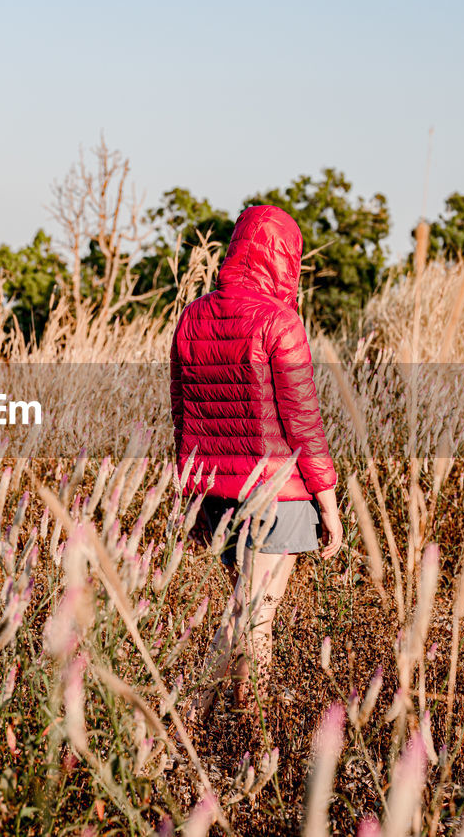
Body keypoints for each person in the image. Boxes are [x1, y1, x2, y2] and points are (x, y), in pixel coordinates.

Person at [169, 204, 343, 722]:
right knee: (253, 616)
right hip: (278, 495)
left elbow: (184, 416)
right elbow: (304, 424)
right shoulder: (280, 323)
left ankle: (226, 725)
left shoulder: (193, 316)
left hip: (218, 495)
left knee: (248, 611)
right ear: (286, 259)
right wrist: (328, 504)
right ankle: (191, 723)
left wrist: (191, 497)